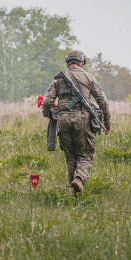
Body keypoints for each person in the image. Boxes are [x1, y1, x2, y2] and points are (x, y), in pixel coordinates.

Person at [42, 51, 111, 194]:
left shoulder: (58, 80)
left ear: (68, 62)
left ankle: (75, 196)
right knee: (85, 156)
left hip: (63, 120)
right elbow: (103, 102)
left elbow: (47, 101)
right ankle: (79, 179)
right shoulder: (89, 77)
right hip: (83, 119)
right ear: (82, 63)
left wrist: (48, 114)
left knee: (71, 158)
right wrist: (107, 122)